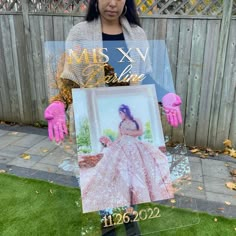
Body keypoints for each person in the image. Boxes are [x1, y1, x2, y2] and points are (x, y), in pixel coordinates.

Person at [80, 104, 173, 213]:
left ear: (125, 111)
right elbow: (118, 138)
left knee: (137, 170)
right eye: (119, 114)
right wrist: (108, 141)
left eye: (120, 113)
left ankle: (135, 197)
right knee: (121, 170)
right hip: (122, 146)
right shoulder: (121, 124)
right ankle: (124, 197)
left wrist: (127, 133)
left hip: (134, 145)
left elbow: (140, 132)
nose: (120, 116)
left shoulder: (136, 120)